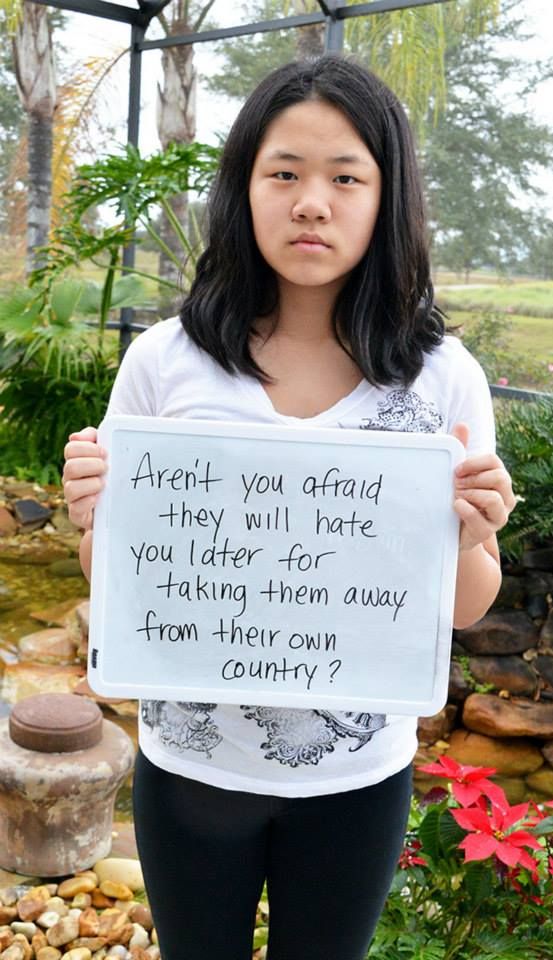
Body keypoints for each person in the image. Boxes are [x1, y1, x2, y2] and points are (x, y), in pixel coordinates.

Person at [63, 55, 516, 960]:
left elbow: (464, 608)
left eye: (345, 177)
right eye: (284, 173)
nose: (313, 202)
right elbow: (122, 588)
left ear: (385, 199)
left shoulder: (440, 377)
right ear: (245, 188)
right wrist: (92, 519)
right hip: (192, 767)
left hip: (358, 773)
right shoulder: (165, 360)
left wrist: (473, 533)